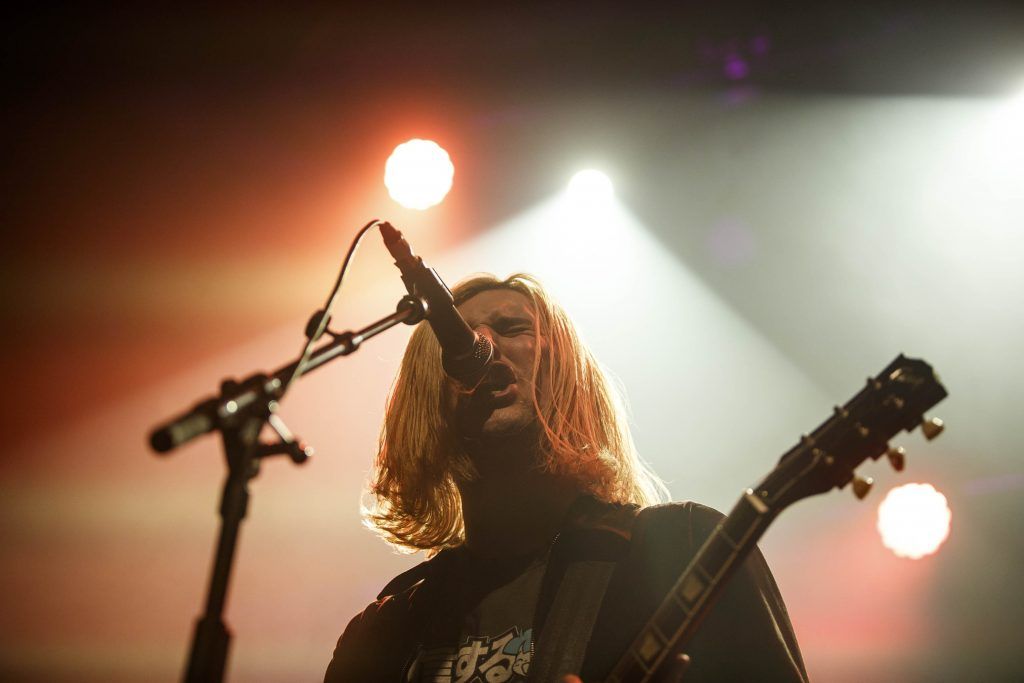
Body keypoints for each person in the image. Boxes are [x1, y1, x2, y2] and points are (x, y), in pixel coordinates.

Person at [325, 273, 807, 683]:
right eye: (459, 337)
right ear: (429, 391)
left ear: (569, 375)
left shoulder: (682, 550)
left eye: (512, 328)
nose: (482, 345)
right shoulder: (385, 632)